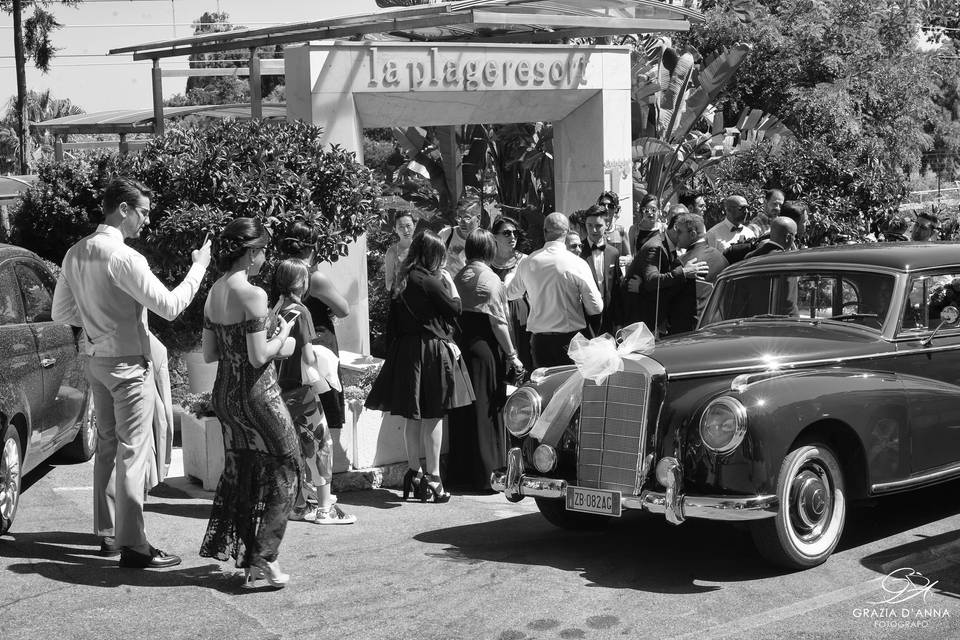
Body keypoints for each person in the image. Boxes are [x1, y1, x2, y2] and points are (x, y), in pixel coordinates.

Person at [51, 177, 211, 569]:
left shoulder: (75, 253)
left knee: (107, 446)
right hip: (126, 363)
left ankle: (107, 533)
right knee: (132, 452)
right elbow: (170, 306)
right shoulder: (124, 257)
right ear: (123, 209)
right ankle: (135, 545)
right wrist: (199, 268)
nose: (146, 220)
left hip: (97, 360)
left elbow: (61, 313)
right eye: (143, 212)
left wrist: (95, 324)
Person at [199, 217, 300, 588]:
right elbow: (259, 357)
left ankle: (250, 559)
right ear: (250, 251)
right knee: (289, 466)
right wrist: (284, 335)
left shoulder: (213, 292)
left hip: (225, 394)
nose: (264, 258)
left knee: (242, 474)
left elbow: (211, 353)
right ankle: (264, 558)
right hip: (258, 395)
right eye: (262, 251)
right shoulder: (253, 294)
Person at [365, 230, 475, 503]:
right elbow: (454, 310)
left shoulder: (402, 281)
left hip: (406, 352)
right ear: (431, 255)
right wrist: (451, 285)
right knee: (434, 414)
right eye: (439, 255)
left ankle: (414, 472)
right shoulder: (428, 280)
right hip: (431, 352)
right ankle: (435, 478)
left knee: (412, 416)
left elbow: (391, 327)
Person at [272, 258, 355, 525]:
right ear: (301, 282)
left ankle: (297, 504)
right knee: (321, 445)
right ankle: (323, 508)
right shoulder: (302, 311)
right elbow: (308, 357)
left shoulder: (277, 309)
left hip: (280, 390)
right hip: (302, 389)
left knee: (294, 447)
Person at [448, 230, 523, 491]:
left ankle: (461, 473)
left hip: (461, 349)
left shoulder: (458, 276)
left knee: (464, 410)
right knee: (486, 409)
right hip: (485, 350)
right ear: (490, 250)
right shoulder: (490, 279)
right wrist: (513, 355)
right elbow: (498, 322)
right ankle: (487, 474)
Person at [506, 212, 603, 369]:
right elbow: (596, 307)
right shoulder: (577, 263)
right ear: (566, 233)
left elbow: (511, 293)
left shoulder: (528, 262)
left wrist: (510, 276)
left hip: (540, 343)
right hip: (570, 341)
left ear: (544, 232)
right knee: (570, 391)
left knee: (545, 391)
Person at [280, 221, 350, 432]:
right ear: (314, 246)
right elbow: (343, 309)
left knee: (297, 412)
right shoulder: (314, 277)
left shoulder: (282, 271)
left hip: (290, 345)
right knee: (321, 416)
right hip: (316, 344)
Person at [623, 207, 708, 336]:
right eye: (683, 231)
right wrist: (683, 272)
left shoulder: (669, 245)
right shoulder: (656, 247)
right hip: (641, 320)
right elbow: (652, 280)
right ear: (675, 228)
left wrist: (641, 287)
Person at [490, 216, 531, 371]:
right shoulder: (487, 261)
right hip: (495, 314)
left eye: (515, 233)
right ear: (495, 236)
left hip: (520, 313)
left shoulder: (524, 260)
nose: (512, 237)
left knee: (524, 355)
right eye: (506, 233)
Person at [580, 204, 623, 336]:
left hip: (608, 315)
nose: (593, 230)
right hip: (585, 316)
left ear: (607, 224)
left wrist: (619, 321)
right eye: (589, 225)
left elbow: (616, 288)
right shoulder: (578, 252)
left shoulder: (613, 252)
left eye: (598, 226)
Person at [681, 215, 729, 323]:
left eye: (679, 232)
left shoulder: (684, 262)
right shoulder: (721, 257)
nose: (676, 236)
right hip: (717, 322)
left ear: (692, 234)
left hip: (691, 327)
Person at [439, 195, 482, 277]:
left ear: (478, 218)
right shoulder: (446, 235)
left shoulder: (484, 241)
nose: (462, 223)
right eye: (459, 218)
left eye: (467, 218)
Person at [384, 211, 416, 293]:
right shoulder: (392, 252)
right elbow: (388, 283)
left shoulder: (423, 248)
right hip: (402, 299)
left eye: (408, 226)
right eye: (401, 227)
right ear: (395, 229)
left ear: (414, 226)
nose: (405, 230)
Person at [597, 190, 631, 257]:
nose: (606, 208)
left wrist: (625, 260)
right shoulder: (593, 229)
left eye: (610, 206)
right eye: (602, 205)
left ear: (616, 209)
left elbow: (629, 256)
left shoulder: (621, 231)